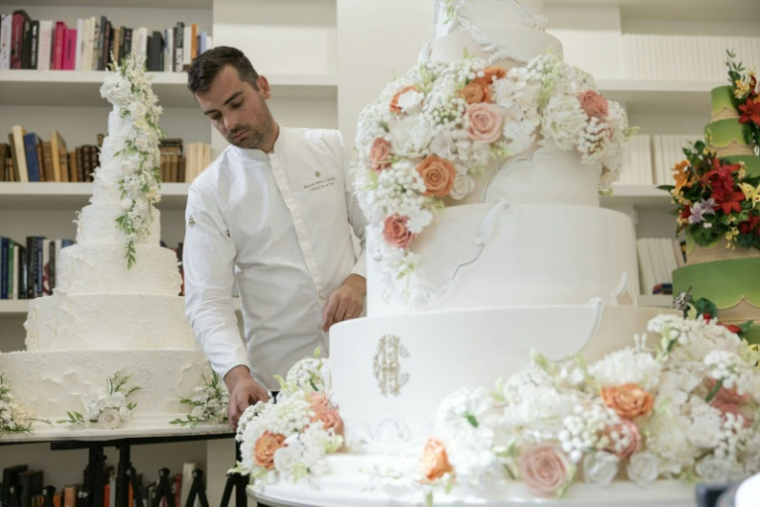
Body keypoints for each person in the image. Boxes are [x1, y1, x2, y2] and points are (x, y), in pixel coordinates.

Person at [183, 46, 367, 429]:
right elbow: (207, 300)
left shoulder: (331, 147)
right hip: (281, 382)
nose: (230, 124)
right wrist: (238, 375)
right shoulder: (209, 192)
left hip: (363, 357)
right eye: (215, 115)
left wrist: (359, 280)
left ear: (262, 86)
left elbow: (380, 231)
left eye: (236, 104)